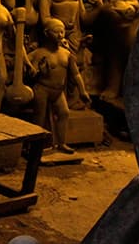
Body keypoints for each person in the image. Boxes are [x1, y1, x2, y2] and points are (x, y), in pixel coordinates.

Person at [26, 18, 91, 153]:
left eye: (62, 31)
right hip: (42, 89)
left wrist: (82, 91)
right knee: (39, 117)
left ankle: (61, 143)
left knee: (64, 113)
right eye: (56, 32)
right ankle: (35, 147)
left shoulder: (66, 54)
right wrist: (38, 72)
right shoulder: (38, 53)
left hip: (58, 91)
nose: (60, 35)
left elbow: (76, 74)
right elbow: (28, 72)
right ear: (46, 33)